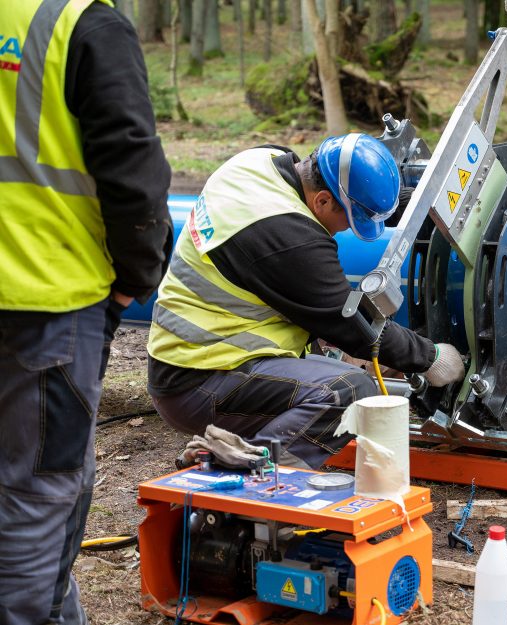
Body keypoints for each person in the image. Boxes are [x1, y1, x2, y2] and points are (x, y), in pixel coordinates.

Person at [0, 2, 173, 624]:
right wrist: (135, 279)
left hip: (42, 300)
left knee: (58, 482)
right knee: (38, 491)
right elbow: (133, 168)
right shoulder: (78, 22)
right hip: (48, 300)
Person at [147, 134, 465, 469]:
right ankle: (250, 478)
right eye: (352, 220)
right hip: (201, 382)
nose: (347, 230)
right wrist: (430, 358)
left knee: (337, 366)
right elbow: (352, 324)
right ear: (323, 201)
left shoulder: (260, 161)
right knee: (350, 390)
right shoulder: (287, 238)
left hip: (191, 359)